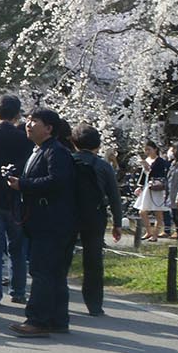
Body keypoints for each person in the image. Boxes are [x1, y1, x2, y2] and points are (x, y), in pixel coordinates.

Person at [6, 108, 76, 337]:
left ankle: (37, 320)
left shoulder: (56, 151)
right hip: (45, 221)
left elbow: (57, 181)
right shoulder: (41, 150)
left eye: (34, 121)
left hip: (52, 222)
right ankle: (57, 319)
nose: (28, 124)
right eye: (27, 120)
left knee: (43, 271)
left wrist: (23, 185)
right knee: (53, 272)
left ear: (49, 128)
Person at [0, 96, 33, 306]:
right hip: (16, 198)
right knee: (17, 248)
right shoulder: (24, 138)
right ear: (18, 114)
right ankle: (18, 291)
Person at [73, 126, 121, 316]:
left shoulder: (69, 161)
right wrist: (117, 223)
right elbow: (114, 196)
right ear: (98, 144)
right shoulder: (103, 166)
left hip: (70, 215)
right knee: (93, 261)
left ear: (74, 142)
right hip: (95, 216)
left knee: (63, 256)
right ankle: (94, 304)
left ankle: (57, 298)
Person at [136, 142, 169, 241]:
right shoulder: (147, 160)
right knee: (142, 211)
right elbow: (143, 175)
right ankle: (149, 231)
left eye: (149, 149)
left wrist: (148, 168)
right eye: (145, 149)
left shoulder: (160, 161)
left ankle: (155, 234)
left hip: (156, 188)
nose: (147, 152)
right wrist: (140, 186)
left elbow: (160, 175)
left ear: (155, 149)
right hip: (147, 187)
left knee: (158, 212)